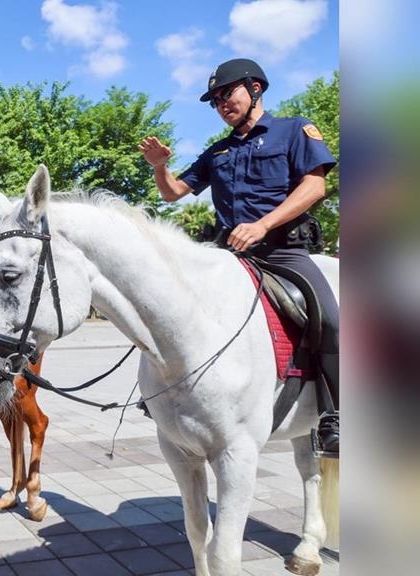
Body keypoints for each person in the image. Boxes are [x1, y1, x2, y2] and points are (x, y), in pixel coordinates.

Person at [138, 57, 340, 455]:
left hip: (283, 251)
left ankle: (338, 415)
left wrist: (264, 225)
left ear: (256, 89)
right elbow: (173, 193)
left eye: (226, 93)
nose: (220, 104)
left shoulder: (293, 130)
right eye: (214, 100)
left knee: (330, 318)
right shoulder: (217, 153)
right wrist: (160, 167)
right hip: (230, 255)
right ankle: (159, 396)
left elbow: (314, 187)